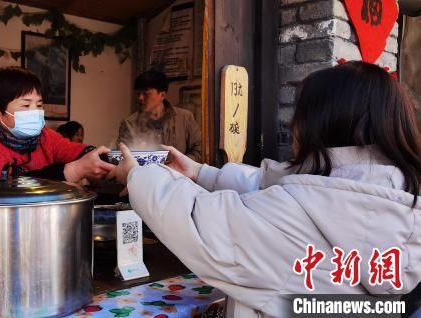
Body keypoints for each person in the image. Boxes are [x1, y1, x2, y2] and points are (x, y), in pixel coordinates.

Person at [108, 62, 421, 317]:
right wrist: (199, 172)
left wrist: (136, 175)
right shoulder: (395, 195)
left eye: (300, 112)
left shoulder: (289, 217)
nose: (292, 124)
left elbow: (196, 220)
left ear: (322, 122)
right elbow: (284, 184)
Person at [0, 67, 113, 183]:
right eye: (26, 106)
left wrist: (103, 160)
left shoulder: (44, 136)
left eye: (39, 105)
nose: (35, 112)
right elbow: (7, 192)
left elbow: (73, 150)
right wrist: (72, 170)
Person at [117, 70, 201, 161]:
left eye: (146, 93)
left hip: (179, 174)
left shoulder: (185, 118)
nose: (140, 98)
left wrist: (180, 163)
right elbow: (122, 157)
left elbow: (199, 149)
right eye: (138, 93)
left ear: (162, 95)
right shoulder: (129, 123)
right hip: (144, 174)